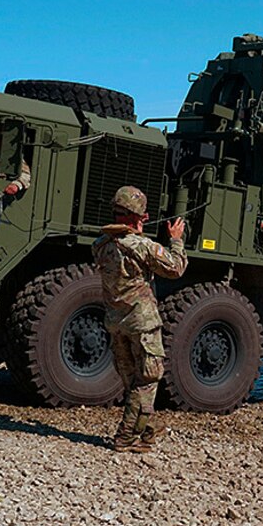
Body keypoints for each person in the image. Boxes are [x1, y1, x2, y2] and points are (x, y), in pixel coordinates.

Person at [92, 186, 187, 452]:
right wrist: (176, 240)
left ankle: (149, 428)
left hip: (115, 320)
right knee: (147, 379)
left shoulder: (99, 245)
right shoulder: (141, 246)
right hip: (142, 323)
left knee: (132, 379)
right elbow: (175, 268)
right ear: (138, 216)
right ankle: (125, 438)